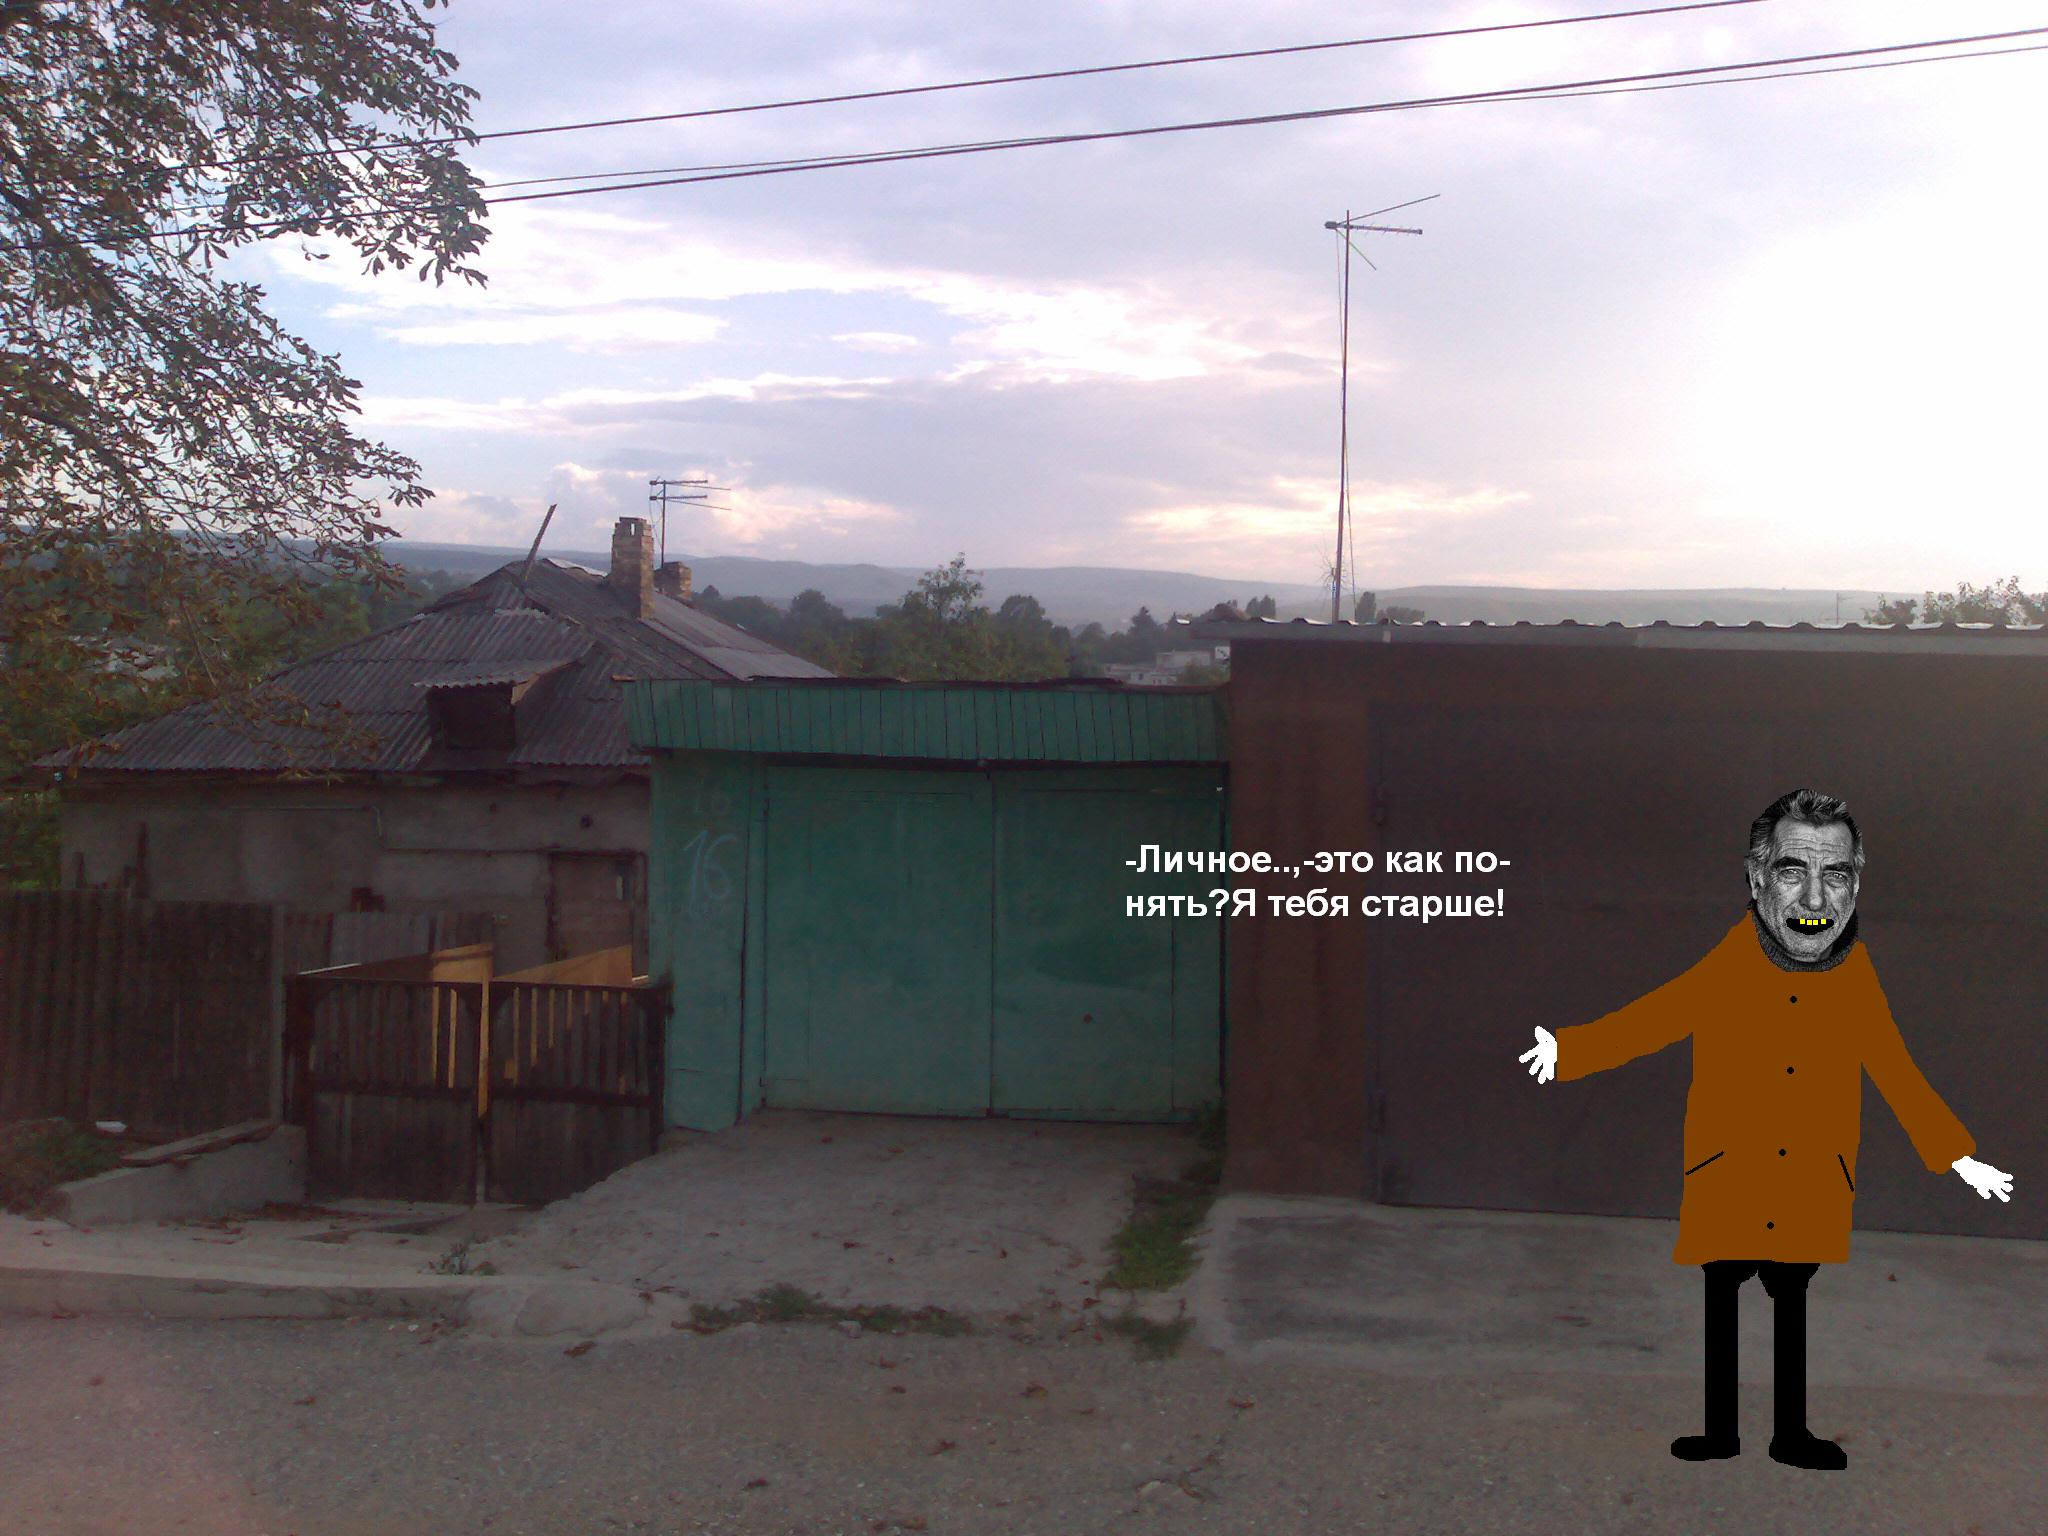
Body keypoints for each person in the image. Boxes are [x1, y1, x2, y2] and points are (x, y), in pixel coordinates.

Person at [1518, 788, 2014, 1470]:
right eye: (1791, 870)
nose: (1814, 898)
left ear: (1856, 884)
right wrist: (1569, 1050)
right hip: (1730, 1170)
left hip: (1809, 1176)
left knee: (1791, 1304)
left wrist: (1959, 1157)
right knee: (1723, 1297)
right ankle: (1720, 1430)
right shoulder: (1729, 964)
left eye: (1834, 874)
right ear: (1756, 880)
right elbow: (1654, 1018)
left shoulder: (1856, 977)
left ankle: (1790, 1433)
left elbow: (1897, 1072)